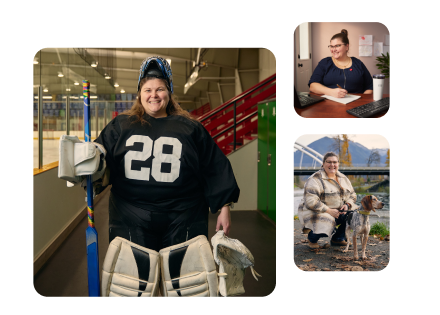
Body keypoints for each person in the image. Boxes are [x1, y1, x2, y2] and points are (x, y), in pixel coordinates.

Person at [92, 56, 240, 252]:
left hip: (183, 216)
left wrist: (224, 207)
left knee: (183, 280)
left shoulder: (191, 129)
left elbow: (213, 165)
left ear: (169, 93)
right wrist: (87, 162)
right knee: (136, 281)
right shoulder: (119, 127)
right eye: (148, 90)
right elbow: (99, 160)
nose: (154, 95)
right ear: (140, 94)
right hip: (130, 216)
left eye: (160, 89)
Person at [297, 152, 359, 249]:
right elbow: (310, 201)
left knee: (354, 214)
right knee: (327, 221)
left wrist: (347, 204)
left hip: (339, 211)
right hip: (318, 211)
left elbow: (353, 195)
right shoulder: (315, 179)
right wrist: (329, 211)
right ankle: (312, 238)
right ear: (323, 163)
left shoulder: (343, 178)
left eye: (335, 162)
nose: (332, 165)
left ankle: (338, 238)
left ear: (338, 163)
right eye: (329, 162)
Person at [308, 29, 374, 98]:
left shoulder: (358, 63)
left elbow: (369, 86)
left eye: (337, 46)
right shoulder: (324, 63)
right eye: (331, 46)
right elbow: (313, 86)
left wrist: (362, 101)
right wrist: (331, 92)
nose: (333, 49)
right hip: (330, 104)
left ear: (347, 47)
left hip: (356, 104)